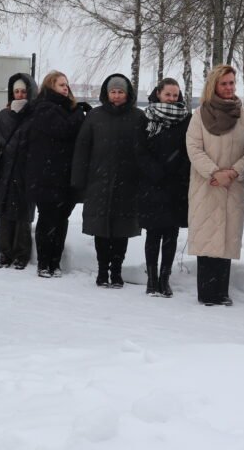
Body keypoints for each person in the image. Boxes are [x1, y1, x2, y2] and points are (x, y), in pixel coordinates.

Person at [186, 64, 244, 306]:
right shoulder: (199, 115)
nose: (229, 87)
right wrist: (215, 172)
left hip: (233, 186)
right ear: (214, 85)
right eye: (224, 83)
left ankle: (222, 291)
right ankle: (206, 293)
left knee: (226, 238)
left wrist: (233, 172)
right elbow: (194, 148)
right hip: (207, 185)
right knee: (207, 238)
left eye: (232, 83)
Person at [72, 73, 145, 288]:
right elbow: (82, 149)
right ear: (107, 93)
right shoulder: (95, 116)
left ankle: (117, 271)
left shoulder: (138, 117)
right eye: (113, 91)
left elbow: (143, 151)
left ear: (127, 94)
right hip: (98, 182)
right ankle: (102, 271)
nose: (116, 96)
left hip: (127, 183)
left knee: (121, 231)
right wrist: (79, 179)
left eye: (120, 92)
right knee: (101, 230)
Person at [24, 71, 86, 277]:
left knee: (61, 220)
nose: (66, 88)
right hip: (47, 176)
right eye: (61, 85)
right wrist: (79, 113)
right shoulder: (44, 108)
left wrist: (77, 112)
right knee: (48, 219)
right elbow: (64, 129)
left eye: (66, 84)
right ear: (50, 86)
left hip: (65, 175)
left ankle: (55, 262)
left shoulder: (68, 109)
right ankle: (44, 262)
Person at [0, 72, 38, 269]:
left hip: (26, 171)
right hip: (5, 171)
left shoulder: (36, 116)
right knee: (5, 213)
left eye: (23, 91)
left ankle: (21, 255)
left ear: (30, 92)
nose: (19, 95)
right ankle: (4, 253)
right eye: (16, 91)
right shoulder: (4, 115)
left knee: (23, 216)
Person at [137, 78, 191, 297]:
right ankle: (151, 279)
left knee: (171, 235)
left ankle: (164, 278)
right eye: (167, 94)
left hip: (176, 186)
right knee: (153, 234)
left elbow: (189, 149)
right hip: (152, 184)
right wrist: (154, 170)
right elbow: (139, 150)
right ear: (158, 93)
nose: (171, 98)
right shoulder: (146, 117)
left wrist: (177, 169)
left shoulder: (186, 119)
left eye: (175, 95)